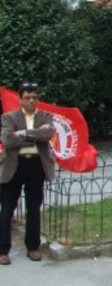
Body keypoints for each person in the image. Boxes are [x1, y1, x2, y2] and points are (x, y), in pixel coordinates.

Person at [0, 81, 57, 264]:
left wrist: (22, 134)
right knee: (7, 209)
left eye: (35, 97)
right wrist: (34, 135)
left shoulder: (46, 116)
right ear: (20, 99)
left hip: (36, 166)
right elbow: (8, 141)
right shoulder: (9, 117)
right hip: (14, 166)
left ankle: (33, 247)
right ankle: (3, 250)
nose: (32, 101)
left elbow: (47, 135)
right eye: (27, 98)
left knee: (33, 208)